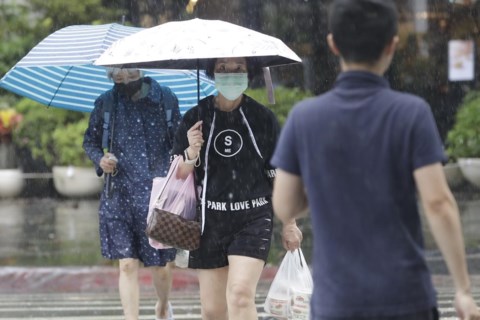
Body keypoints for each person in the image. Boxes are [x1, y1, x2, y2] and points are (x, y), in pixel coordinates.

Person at [271, 1, 480, 320]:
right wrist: (463, 289)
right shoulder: (411, 113)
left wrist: (328, 184)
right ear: (392, 46)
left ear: (333, 44)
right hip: (405, 296)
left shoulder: (305, 119)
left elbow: (285, 206)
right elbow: (438, 203)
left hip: (337, 300)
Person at [171, 57, 303, 320]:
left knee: (241, 295)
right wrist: (191, 150)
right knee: (213, 311)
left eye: (238, 69)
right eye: (222, 69)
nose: (230, 75)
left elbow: (278, 175)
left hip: (253, 219)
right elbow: (178, 174)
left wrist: (289, 223)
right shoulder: (195, 117)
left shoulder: (262, 118)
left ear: (248, 73)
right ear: (212, 73)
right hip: (210, 222)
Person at [83, 67, 181, 320]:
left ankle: (162, 304)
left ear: (141, 69)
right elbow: (91, 141)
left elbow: (178, 142)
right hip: (119, 194)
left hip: (157, 194)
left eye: (131, 75)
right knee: (126, 264)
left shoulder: (166, 99)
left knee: (160, 266)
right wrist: (101, 159)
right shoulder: (106, 103)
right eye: (118, 77)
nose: (125, 81)